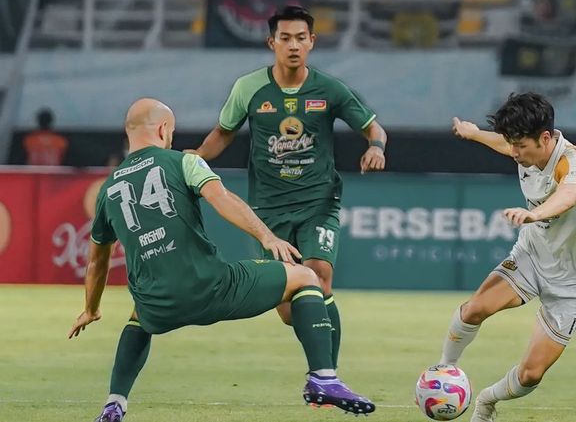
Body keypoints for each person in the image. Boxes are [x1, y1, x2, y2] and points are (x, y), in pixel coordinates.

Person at [68, 98, 375, 422]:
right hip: (210, 288)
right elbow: (222, 199)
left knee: (139, 317)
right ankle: (324, 378)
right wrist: (266, 237)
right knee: (306, 278)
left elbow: (96, 263)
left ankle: (114, 403)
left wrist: (91, 308)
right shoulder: (182, 162)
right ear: (163, 129)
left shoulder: (108, 189)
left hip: (158, 306)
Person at [189, 5, 387, 370]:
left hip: (319, 203)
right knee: (287, 306)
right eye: (285, 38)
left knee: (319, 277)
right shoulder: (249, 88)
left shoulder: (329, 89)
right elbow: (222, 134)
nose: (293, 45)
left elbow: (374, 128)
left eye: (300, 38)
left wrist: (376, 146)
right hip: (268, 209)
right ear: (272, 42)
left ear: (312, 42)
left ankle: (327, 374)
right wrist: (195, 159)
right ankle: (323, 363)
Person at [445, 92, 576, 422]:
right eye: (512, 144)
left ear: (545, 138)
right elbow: (505, 144)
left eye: (520, 146)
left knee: (531, 375)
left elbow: (567, 196)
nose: (514, 153)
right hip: (532, 255)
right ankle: (444, 370)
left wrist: (534, 215)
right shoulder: (526, 150)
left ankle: (487, 401)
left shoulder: (575, 164)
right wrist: (473, 133)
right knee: (475, 309)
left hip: (573, 281)